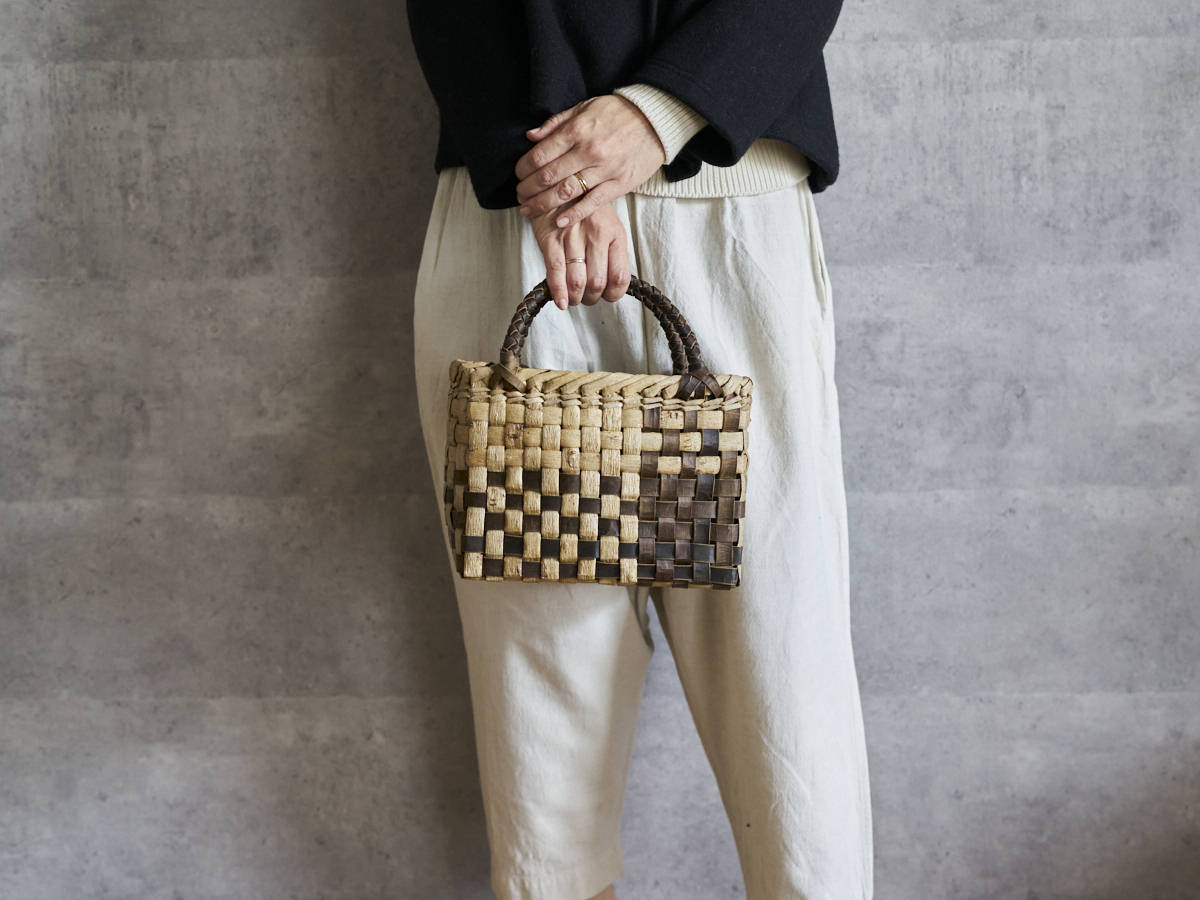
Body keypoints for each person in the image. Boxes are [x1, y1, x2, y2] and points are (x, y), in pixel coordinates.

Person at [406, 2, 873, 898]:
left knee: (785, 691)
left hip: (726, 208)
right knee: (539, 725)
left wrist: (663, 113)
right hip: (513, 216)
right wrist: (545, 172)